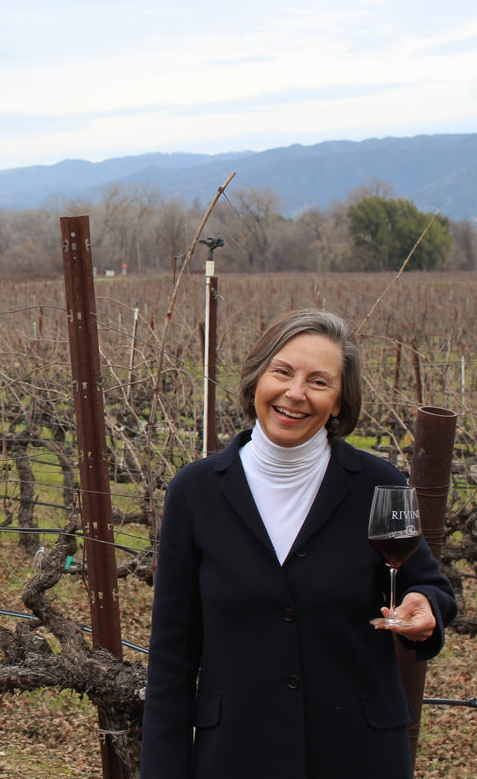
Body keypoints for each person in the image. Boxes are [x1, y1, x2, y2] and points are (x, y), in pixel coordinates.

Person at [141, 309, 457, 779]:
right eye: (282, 372)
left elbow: (431, 589)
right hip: (237, 756)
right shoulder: (196, 492)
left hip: (359, 756)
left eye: (319, 381)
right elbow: (171, 656)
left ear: (339, 403)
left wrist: (426, 606)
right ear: (255, 380)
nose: (295, 393)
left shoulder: (378, 484)